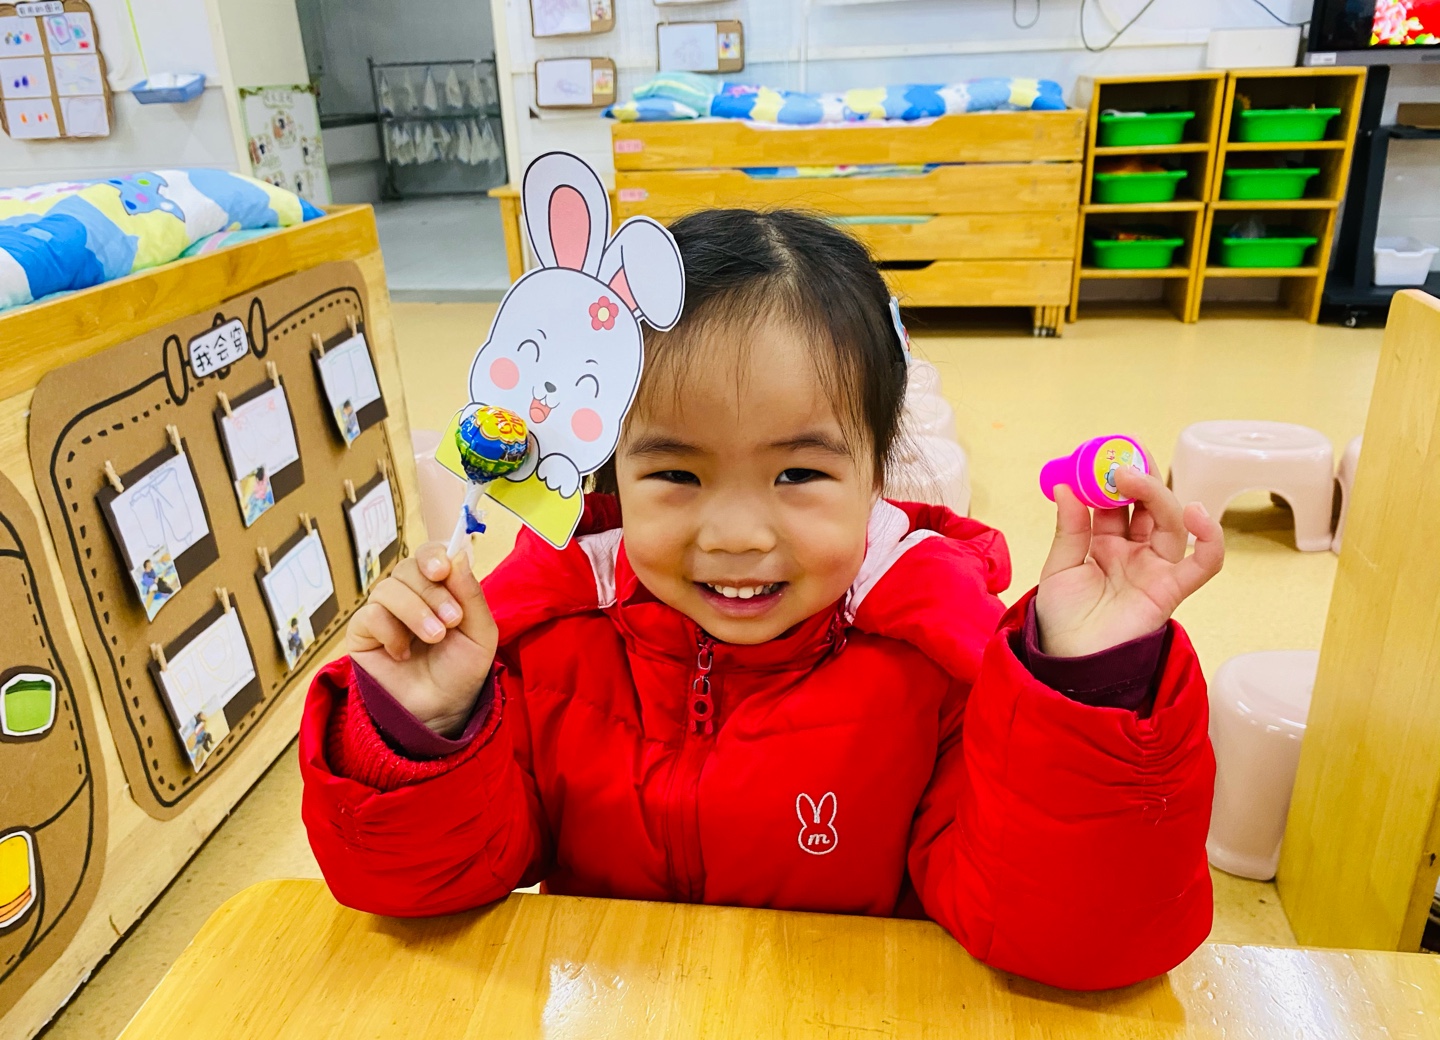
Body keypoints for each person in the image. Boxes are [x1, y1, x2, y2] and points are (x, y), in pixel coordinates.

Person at [299, 210, 1224, 991]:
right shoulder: (549, 638)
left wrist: (1090, 686)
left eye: (798, 473)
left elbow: (1078, 942)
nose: (737, 534)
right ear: (611, 473)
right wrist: (427, 727)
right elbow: (424, 892)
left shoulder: (944, 669)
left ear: (879, 474)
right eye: (676, 473)